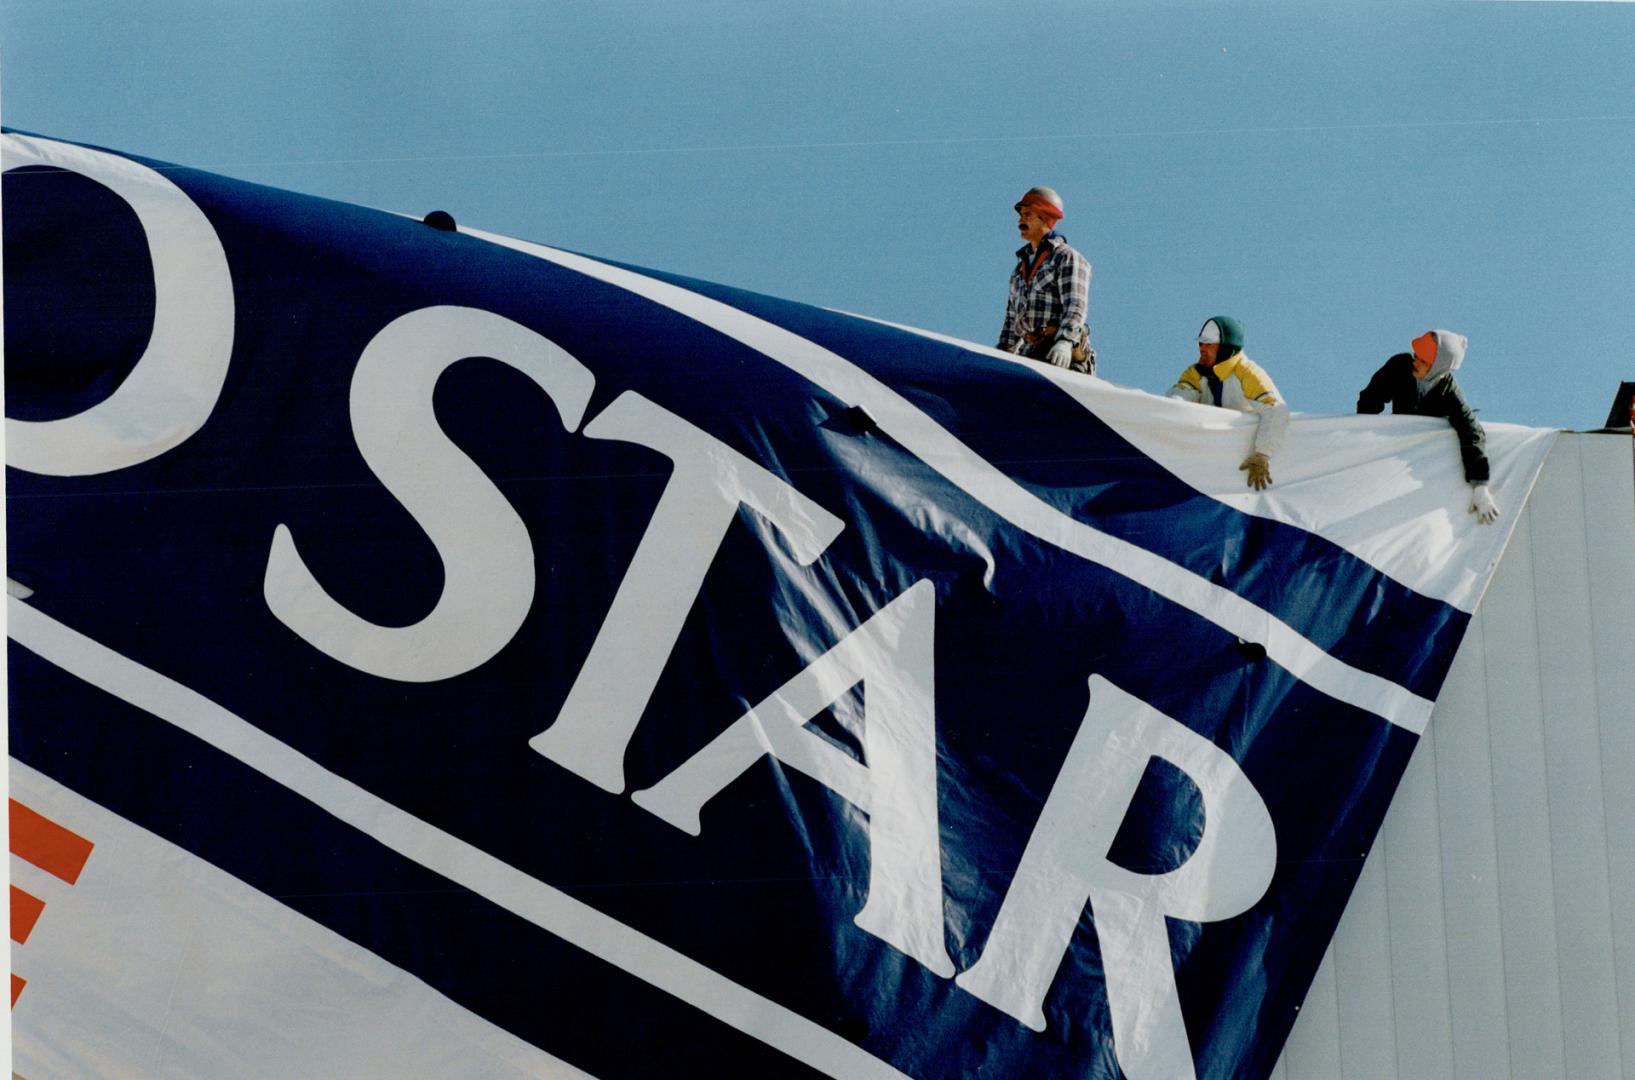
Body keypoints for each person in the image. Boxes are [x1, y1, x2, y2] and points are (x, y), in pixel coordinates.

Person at [1357, 329, 1498, 524]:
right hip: (1395, 449)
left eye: (1423, 361)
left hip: (1424, 461)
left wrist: (1480, 486)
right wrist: (1363, 441)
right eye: (1416, 356)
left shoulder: (1448, 391)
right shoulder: (1401, 366)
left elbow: (1472, 432)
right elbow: (1369, 402)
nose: (1416, 362)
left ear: (1437, 368)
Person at [1166, 317, 1288, 490]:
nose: (1202, 348)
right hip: (1208, 460)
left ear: (1225, 348)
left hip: (1243, 464)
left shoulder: (1247, 373)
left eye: (1209, 344)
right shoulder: (1194, 373)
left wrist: (1262, 454)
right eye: (1201, 343)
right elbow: (1174, 405)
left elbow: (1276, 411)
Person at [996, 186, 1094, 375]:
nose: (1020, 221)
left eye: (1028, 214)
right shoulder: (1019, 272)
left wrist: (1065, 341)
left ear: (1045, 217)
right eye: (1021, 215)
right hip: (1030, 356)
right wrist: (998, 362)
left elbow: (1075, 305)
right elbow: (1010, 325)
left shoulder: (1066, 257)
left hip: (1061, 357)